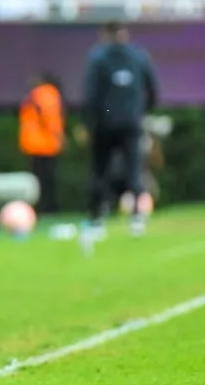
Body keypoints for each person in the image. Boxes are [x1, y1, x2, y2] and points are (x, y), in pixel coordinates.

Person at [82, 22, 159, 239]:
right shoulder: (139, 56)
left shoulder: (98, 58)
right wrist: (141, 112)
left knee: (100, 170)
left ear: (105, 34)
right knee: (134, 169)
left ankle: (97, 218)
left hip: (105, 124)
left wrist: (89, 122)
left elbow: (91, 94)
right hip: (132, 122)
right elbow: (153, 89)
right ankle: (137, 218)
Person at [18, 73, 65, 215]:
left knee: (37, 180)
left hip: (31, 144)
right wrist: (60, 137)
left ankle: (39, 208)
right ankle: (49, 208)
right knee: (48, 180)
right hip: (45, 144)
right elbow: (50, 117)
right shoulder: (48, 93)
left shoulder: (31, 95)